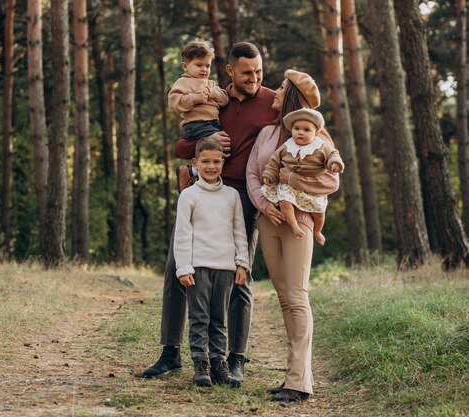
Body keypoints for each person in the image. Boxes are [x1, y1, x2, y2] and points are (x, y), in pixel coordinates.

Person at [143, 41, 278, 382]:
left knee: (239, 273)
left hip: (244, 196)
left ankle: (235, 359)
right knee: (178, 266)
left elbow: (306, 129)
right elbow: (181, 146)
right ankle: (170, 353)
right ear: (230, 71)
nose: (255, 78)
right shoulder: (213, 96)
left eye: (259, 71)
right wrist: (213, 141)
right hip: (202, 192)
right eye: (247, 72)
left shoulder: (271, 102)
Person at [246, 69, 340, 402]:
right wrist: (263, 204)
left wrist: (290, 179)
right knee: (284, 297)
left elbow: (330, 183)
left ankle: (300, 381)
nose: (276, 90)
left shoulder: (317, 137)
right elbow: (254, 174)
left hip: (299, 220)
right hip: (269, 219)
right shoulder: (269, 134)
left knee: (297, 296)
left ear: (294, 95)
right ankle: (291, 375)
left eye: (283, 87)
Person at [174, 137, 249, 388]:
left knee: (219, 318)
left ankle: (219, 363)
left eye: (216, 162)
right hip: (198, 268)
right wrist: (184, 267)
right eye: (205, 162)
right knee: (199, 317)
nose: (211, 166)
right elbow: (183, 234)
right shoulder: (189, 195)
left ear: (222, 164)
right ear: (195, 163)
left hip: (225, 268)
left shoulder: (231, 196)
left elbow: (240, 231)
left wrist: (242, 263)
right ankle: (201, 364)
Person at [261, 108, 344, 245]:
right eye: (296, 128)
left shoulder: (321, 146)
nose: (300, 132)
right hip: (288, 186)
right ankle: (294, 225)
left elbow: (333, 154)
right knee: (284, 201)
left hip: (310, 187)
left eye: (306, 130)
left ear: (316, 133)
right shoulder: (286, 146)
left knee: (319, 212)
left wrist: (334, 163)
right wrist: (269, 175)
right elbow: (274, 162)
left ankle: (318, 231)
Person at [168, 40, 229, 143]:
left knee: (223, 143)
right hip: (195, 125)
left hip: (214, 123)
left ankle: (217, 158)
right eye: (199, 65)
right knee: (220, 141)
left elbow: (224, 99)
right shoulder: (183, 82)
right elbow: (175, 102)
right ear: (185, 66)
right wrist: (195, 98)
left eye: (207, 66)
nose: (204, 69)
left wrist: (212, 93)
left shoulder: (210, 84)